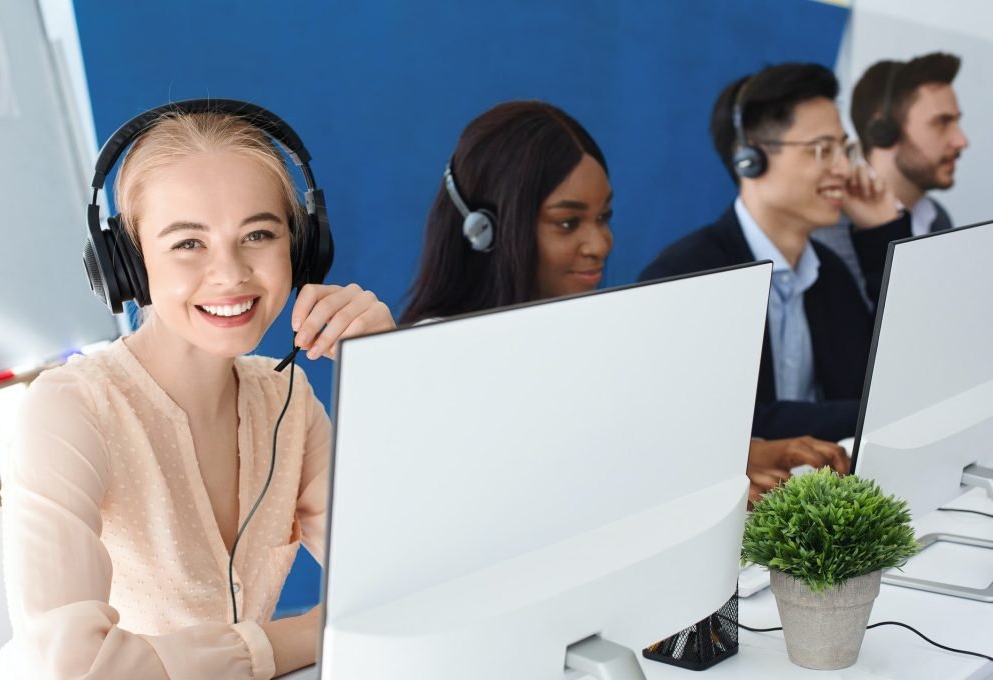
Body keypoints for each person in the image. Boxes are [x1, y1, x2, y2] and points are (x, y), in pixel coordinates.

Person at [0, 103, 394, 679]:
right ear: (127, 266)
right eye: (188, 243)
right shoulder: (72, 410)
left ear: (302, 249)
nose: (230, 273)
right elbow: (72, 668)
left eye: (258, 234)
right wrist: (297, 638)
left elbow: (399, 573)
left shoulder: (287, 399)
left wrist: (386, 379)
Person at [401, 100, 847, 505]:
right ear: (487, 230)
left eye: (603, 217)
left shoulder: (581, 333)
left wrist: (744, 452)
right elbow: (553, 494)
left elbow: (632, 444)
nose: (600, 243)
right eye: (568, 222)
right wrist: (703, 482)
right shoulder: (440, 359)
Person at [638, 63, 911, 442]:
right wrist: (872, 413)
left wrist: (882, 236)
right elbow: (723, 428)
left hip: (827, 496)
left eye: (844, 149)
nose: (844, 168)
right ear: (750, 158)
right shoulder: (686, 276)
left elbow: (898, 387)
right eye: (822, 150)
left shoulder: (831, 275)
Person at [813, 52, 968, 301]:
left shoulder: (936, 217)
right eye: (942, 122)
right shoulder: (828, 226)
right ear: (884, 130)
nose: (961, 141)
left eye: (956, 123)